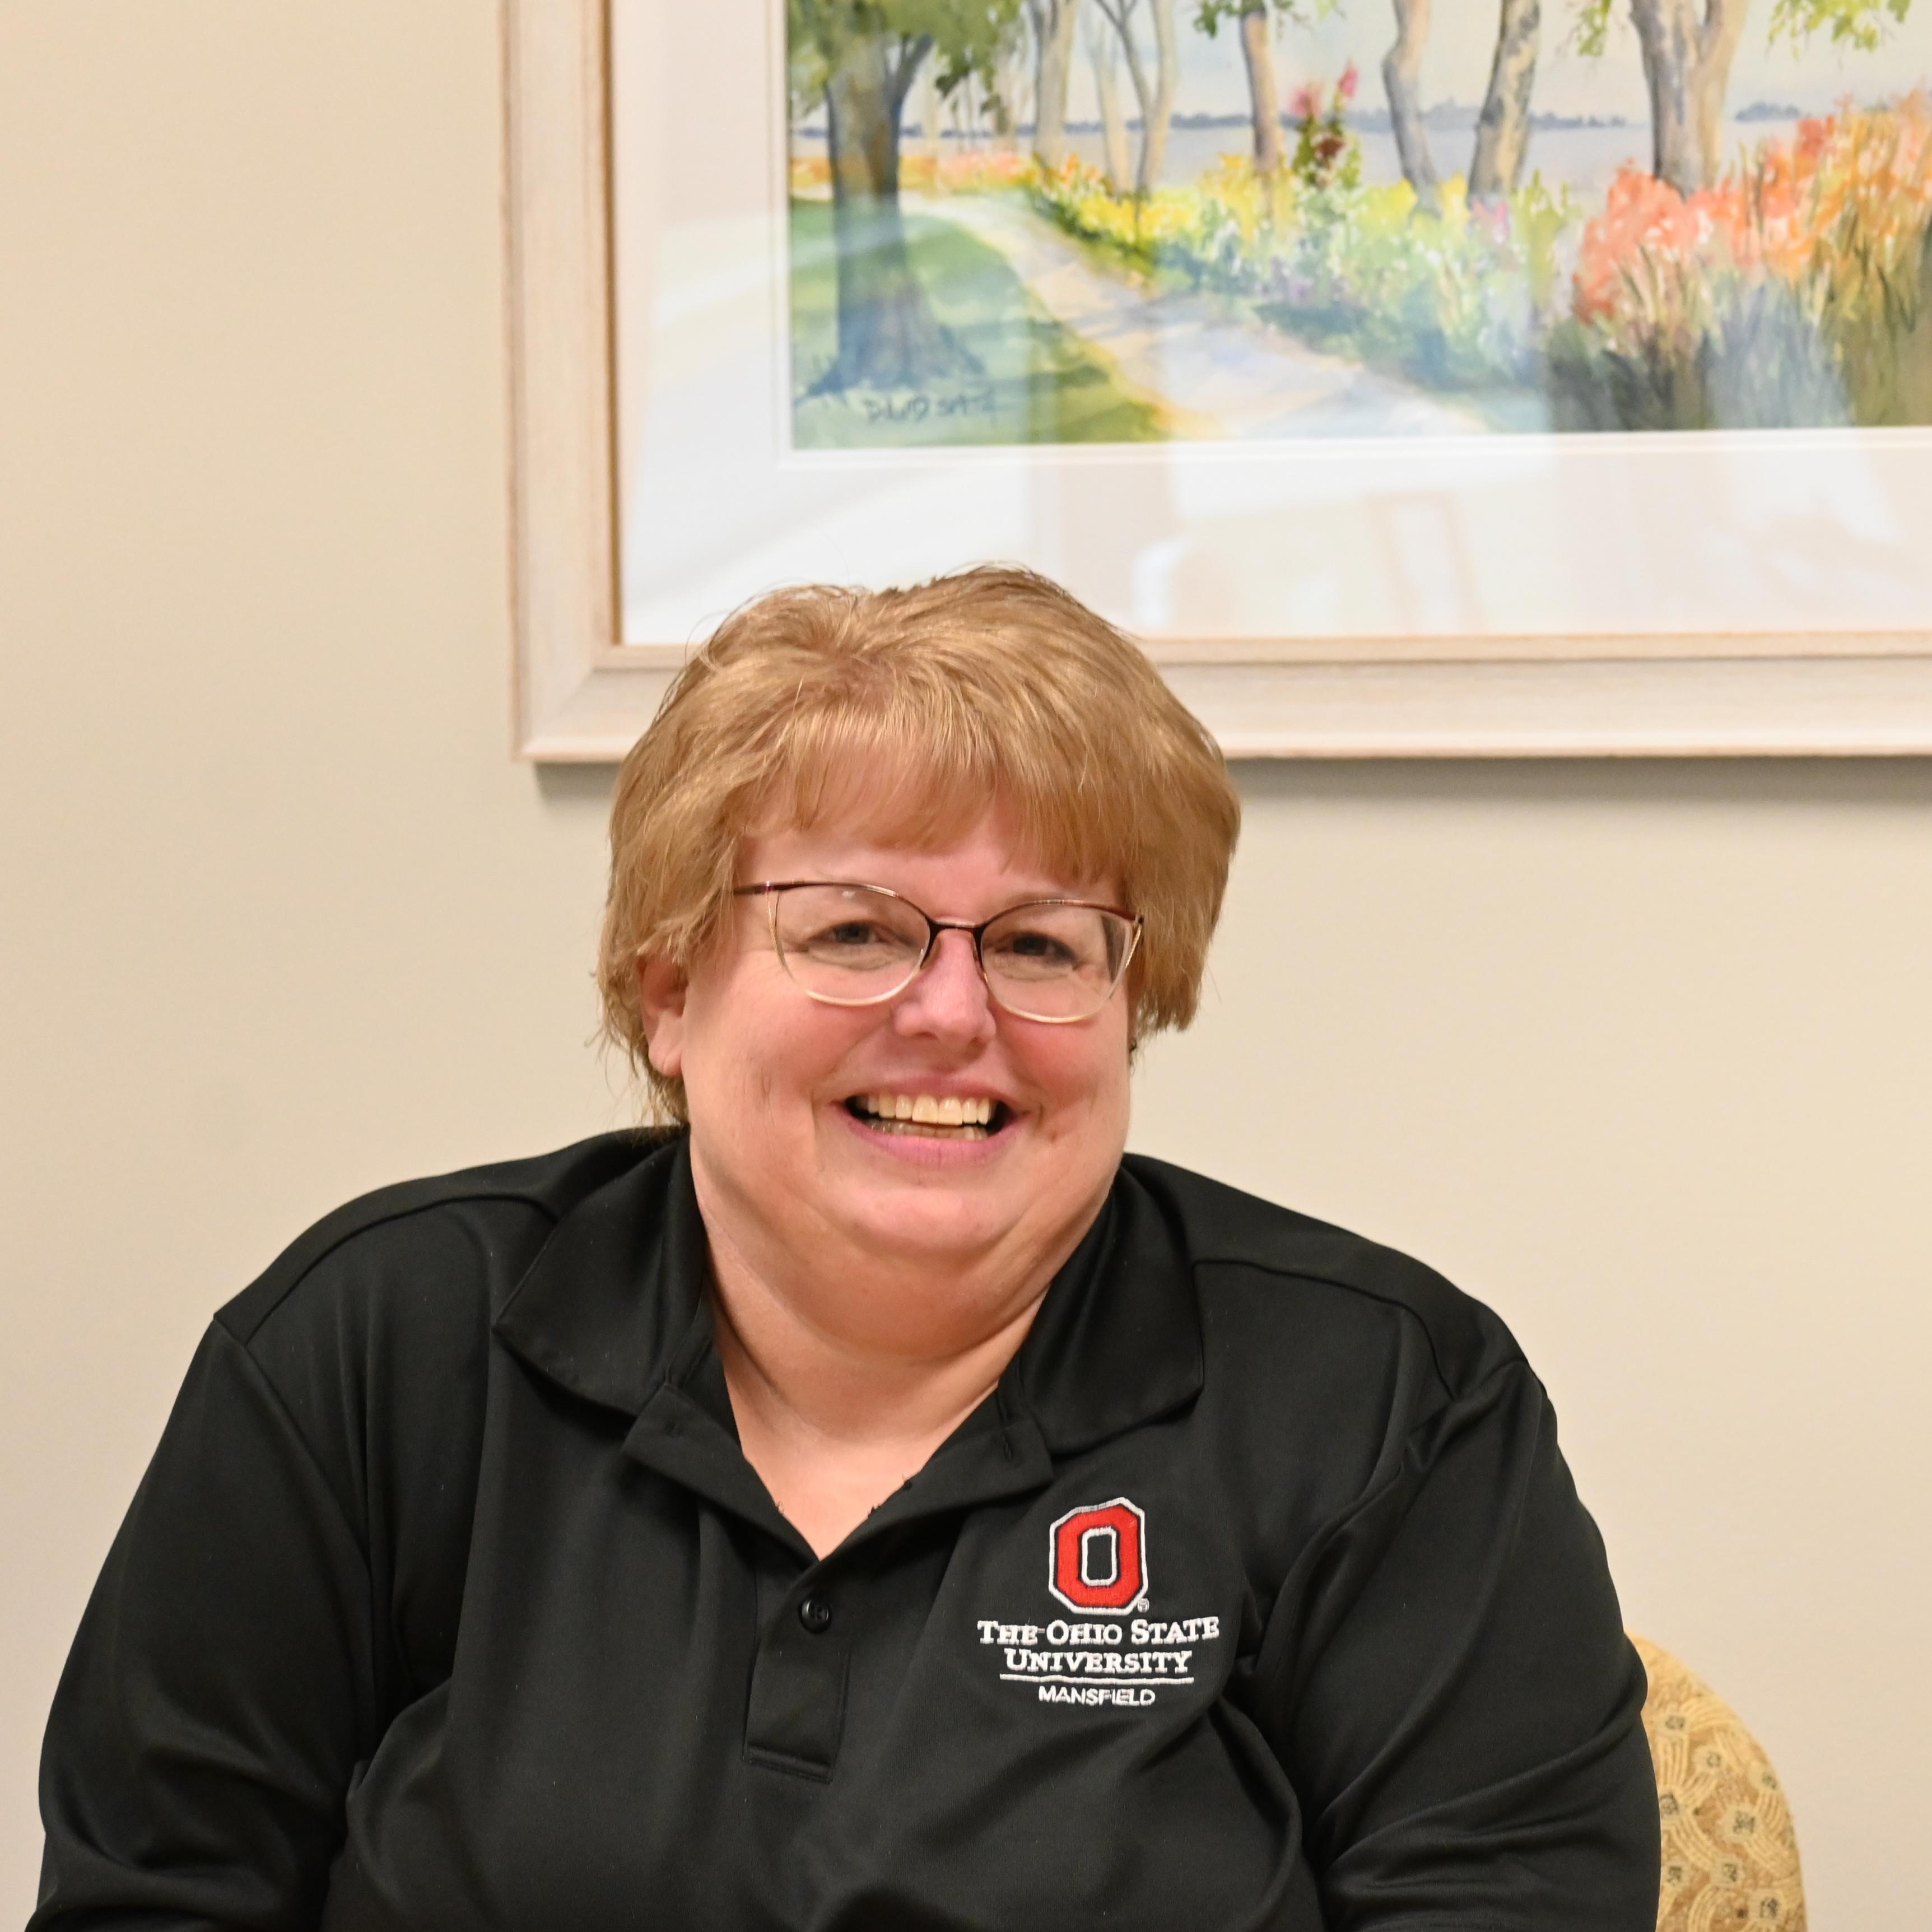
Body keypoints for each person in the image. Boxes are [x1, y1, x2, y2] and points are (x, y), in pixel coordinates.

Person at [31, 566, 1660, 1930]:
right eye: (856, 929)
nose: (950, 1013)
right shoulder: (378, 1347)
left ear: (1131, 1008)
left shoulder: (1383, 1402)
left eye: (1040, 944)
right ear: (671, 992)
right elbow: (156, 1898)